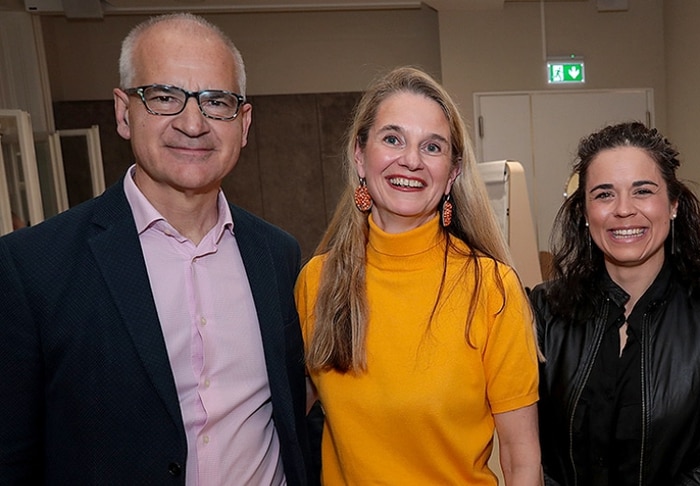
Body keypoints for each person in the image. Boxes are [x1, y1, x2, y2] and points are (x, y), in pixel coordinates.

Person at [0, 13, 310, 485]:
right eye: (164, 97)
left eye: (216, 102)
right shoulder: (31, 268)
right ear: (124, 112)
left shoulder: (277, 255)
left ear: (243, 124)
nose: (193, 123)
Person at [294, 66, 542, 485]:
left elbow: (522, 460)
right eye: (392, 139)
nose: (411, 160)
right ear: (359, 155)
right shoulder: (318, 282)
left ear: (453, 173)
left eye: (432, 146)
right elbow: (274, 421)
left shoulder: (491, 288)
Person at [530, 121, 700, 485]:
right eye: (604, 194)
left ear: (673, 204)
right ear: (584, 212)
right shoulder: (544, 311)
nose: (623, 210)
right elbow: (529, 452)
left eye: (642, 191)